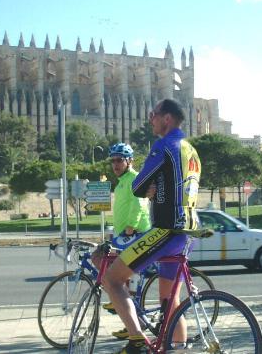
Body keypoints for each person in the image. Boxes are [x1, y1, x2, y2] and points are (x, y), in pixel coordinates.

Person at [102, 99, 201, 354]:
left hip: (167, 230)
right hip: (189, 231)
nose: (150, 120)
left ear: (166, 118)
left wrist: (149, 190)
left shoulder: (164, 146)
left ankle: (136, 340)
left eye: (153, 115)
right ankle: (177, 349)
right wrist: (157, 191)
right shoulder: (190, 149)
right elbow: (176, 186)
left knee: (112, 279)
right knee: (171, 301)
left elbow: (138, 186)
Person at [91, 142, 151, 339]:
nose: (115, 164)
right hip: (122, 234)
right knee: (98, 258)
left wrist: (130, 227)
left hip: (134, 234)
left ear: (129, 161)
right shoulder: (122, 181)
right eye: (113, 160)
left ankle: (120, 299)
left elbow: (139, 203)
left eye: (119, 160)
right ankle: (123, 304)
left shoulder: (134, 177)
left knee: (105, 264)